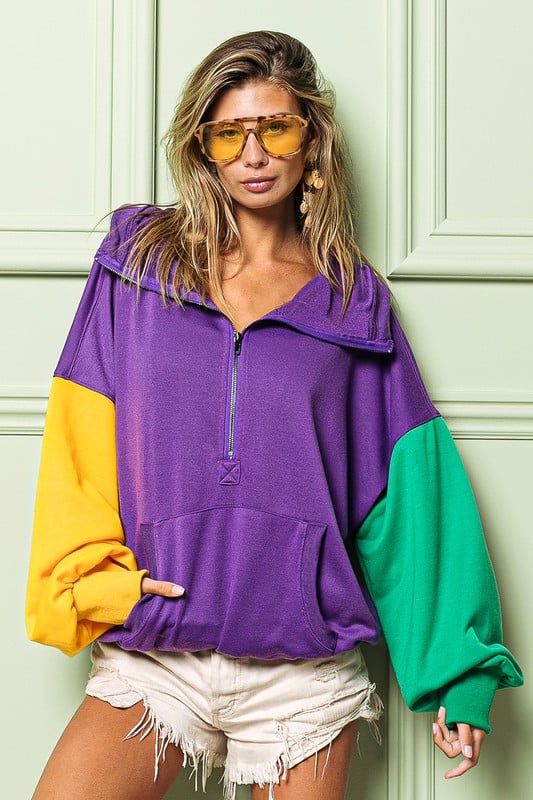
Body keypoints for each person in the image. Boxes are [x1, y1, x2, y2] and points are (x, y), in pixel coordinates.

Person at [26, 30, 522, 800]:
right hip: (157, 654)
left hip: (304, 676)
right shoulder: (138, 265)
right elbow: (78, 444)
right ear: (203, 147)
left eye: (276, 129)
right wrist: (97, 587)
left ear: (311, 140)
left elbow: (407, 499)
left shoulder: (350, 301)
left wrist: (460, 677)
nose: (253, 155)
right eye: (229, 133)